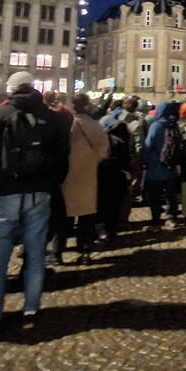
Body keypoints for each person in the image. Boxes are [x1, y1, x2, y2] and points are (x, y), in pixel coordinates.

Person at [0, 71, 70, 340]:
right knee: (35, 255)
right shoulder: (52, 117)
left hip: (4, 193)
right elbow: (63, 156)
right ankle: (31, 310)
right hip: (40, 193)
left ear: (10, 89)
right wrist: (51, 183)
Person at [60, 94, 109, 265]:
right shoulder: (95, 125)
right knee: (86, 216)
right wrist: (91, 159)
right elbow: (104, 150)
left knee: (63, 214)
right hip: (87, 174)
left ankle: (57, 251)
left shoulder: (66, 124)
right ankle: (85, 249)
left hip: (66, 175)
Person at [142, 101, 181, 231]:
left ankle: (156, 222)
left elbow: (148, 145)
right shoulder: (174, 125)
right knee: (171, 195)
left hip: (155, 166)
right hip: (170, 166)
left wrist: (144, 162)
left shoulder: (156, 125)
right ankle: (172, 218)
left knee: (155, 196)